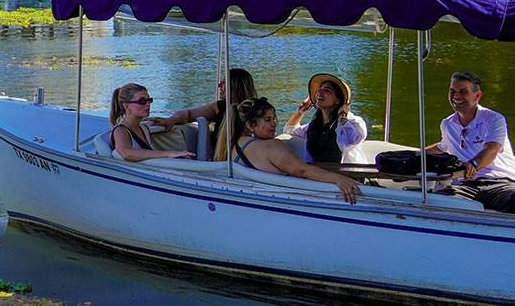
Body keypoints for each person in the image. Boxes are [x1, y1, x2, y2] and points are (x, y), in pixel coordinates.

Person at [425, 70, 515, 215]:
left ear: (477, 96)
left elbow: (492, 149)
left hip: (500, 183)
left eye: (463, 92)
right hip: (466, 186)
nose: (456, 96)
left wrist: (473, 164)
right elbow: (442, 146)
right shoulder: (447, 124)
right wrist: (415, 156)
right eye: (452, 91)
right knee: (436, 201)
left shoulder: (494, 119)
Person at [232, 98, 362, 204]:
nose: (274, 123)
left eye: (274, 118)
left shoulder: (237, 144)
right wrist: (338, 179)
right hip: (284, 203)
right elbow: (302, 170)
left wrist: (300, 112)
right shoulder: (272, 146)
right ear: (250, 125)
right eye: (268, 120)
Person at [148, 68, 258, 160]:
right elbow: (188, 114)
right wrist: (171, 120)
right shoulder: (220, 107)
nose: (219, 85)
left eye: (224, 82)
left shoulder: (257, 109)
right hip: (226, 159)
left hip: (247, 155)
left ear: (234, 86)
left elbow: (188, 114)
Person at [284, 73, 368, 164]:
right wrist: (300, 112)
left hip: (346, 174)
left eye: (327, 90)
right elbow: (289, 130)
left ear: (338, 100)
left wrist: (342, 117)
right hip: (319, 173)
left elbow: (351, 140)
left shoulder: (354, 122)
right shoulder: (315, 125)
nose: (320, 92)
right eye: (320, 89)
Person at [108, 84, 195, 162]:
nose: (148, 104)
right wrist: (168, 154)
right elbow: (126, 153)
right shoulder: (120, 130)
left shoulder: (143, 128)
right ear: (126, 106)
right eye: (142, 101)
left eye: (149, 100)